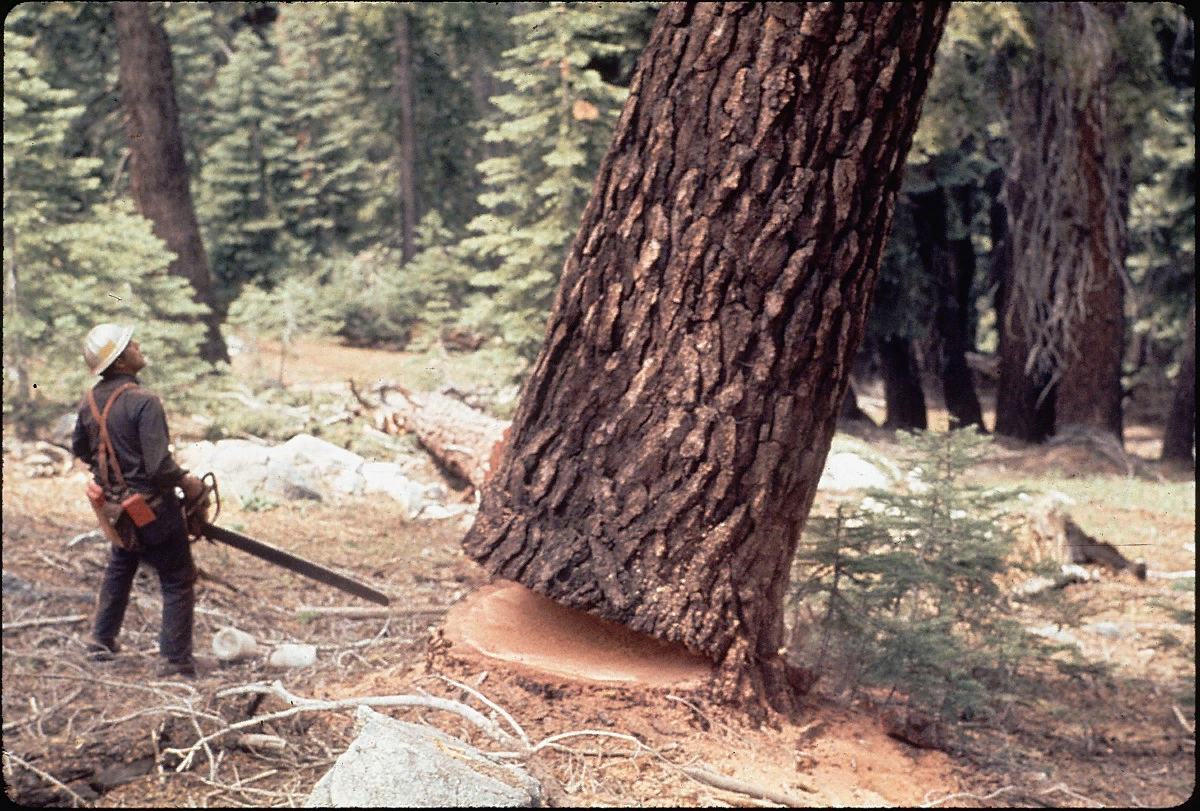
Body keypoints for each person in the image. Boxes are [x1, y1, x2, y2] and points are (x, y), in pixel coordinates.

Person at [72, 323, 210, 678]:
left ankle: (101, 643)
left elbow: (81, 449)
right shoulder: (144, 401)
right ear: (119, 362)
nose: (137, 346)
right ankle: (175, 661)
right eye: (130, 344)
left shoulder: (89, 401)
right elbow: (160, 467)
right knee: (178, 578)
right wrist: (188, 483)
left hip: (117, 512)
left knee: (120, 568)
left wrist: (112, 480)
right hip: (153, 511)